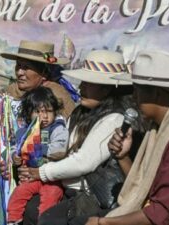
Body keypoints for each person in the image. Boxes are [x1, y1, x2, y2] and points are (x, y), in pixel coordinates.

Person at [86, 50, 169, 225]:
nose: (133, 97)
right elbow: (145, 189)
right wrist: (123, 156)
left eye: (137, 91)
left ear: (157, 93)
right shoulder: (160, 128)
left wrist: (103, 223)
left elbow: (160, 213)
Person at [18, 50, 140, 225]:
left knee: (47, 219)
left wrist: (40, 172)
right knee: (29, 208)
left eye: (89, 84)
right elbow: (63, 149)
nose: (81, 88)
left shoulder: (115, 119)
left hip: (95, 199)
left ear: (107, 89)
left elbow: (83, 162)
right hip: (70, 190)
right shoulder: (80, 113)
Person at [0, 40, 75, 224]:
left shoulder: (57, 99)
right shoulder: (7, 96)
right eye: (18, 66)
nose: (20, 72)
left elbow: (66, 144)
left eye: (26, 67)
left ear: (44, 72)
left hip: (40, 175)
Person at [7, 86, 69, 224]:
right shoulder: (24, 132)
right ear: (29, 113)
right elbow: (14, 148)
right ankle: (13, 220)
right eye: (38, 112)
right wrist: (14, 157)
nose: (44, 116)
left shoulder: (57, 128)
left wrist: (37, 149)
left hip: (51, 178)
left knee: (52, 195)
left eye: (48, 111)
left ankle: (44, 220)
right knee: (18, 194)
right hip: (31, 179)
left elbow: (60, 147)